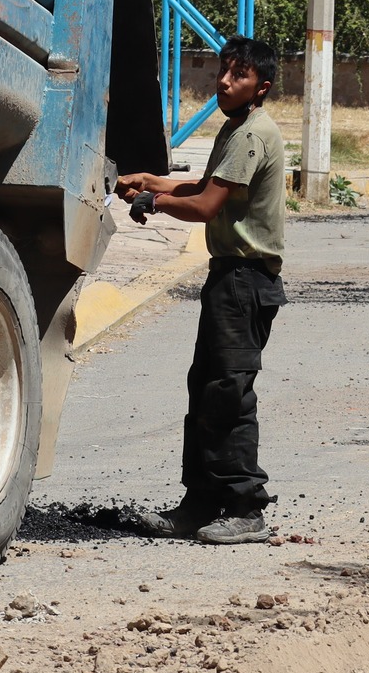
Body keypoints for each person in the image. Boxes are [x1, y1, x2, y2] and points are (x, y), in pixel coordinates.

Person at [115, 38, 287, 544]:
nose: (225, 82)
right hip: (228, 279)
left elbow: (207, 206)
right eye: (223, 72)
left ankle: (246, 508)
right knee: (206, 390)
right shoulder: (235, 130)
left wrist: (153, 200)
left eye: (239, 75)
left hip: (245, 279)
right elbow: (202, 187)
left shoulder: (253, 134)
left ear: (262, 88)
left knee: (229, 393)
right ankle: (199, 504)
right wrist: (153, 180)